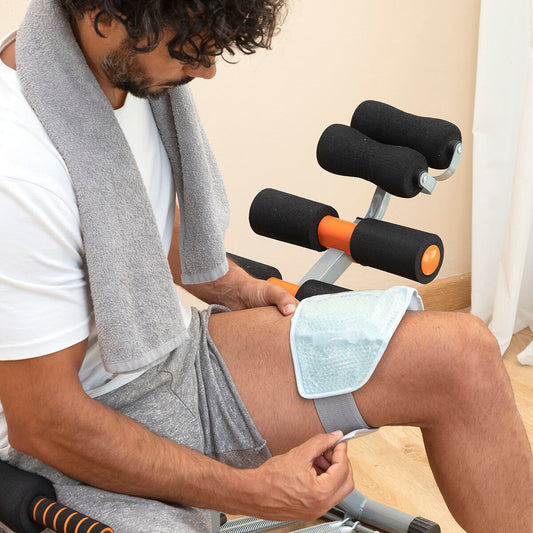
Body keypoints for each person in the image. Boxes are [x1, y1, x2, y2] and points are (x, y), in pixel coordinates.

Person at [0, 1, 532, 532]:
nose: (206, 71)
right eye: (188, 49)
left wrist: (233, 287)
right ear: (104, 14)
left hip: (174, 356)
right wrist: (254, 492)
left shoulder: (121, 73)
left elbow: (128, 216)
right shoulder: (18, 169)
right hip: (67, 431)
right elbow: (46, 421)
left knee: (462, 355)